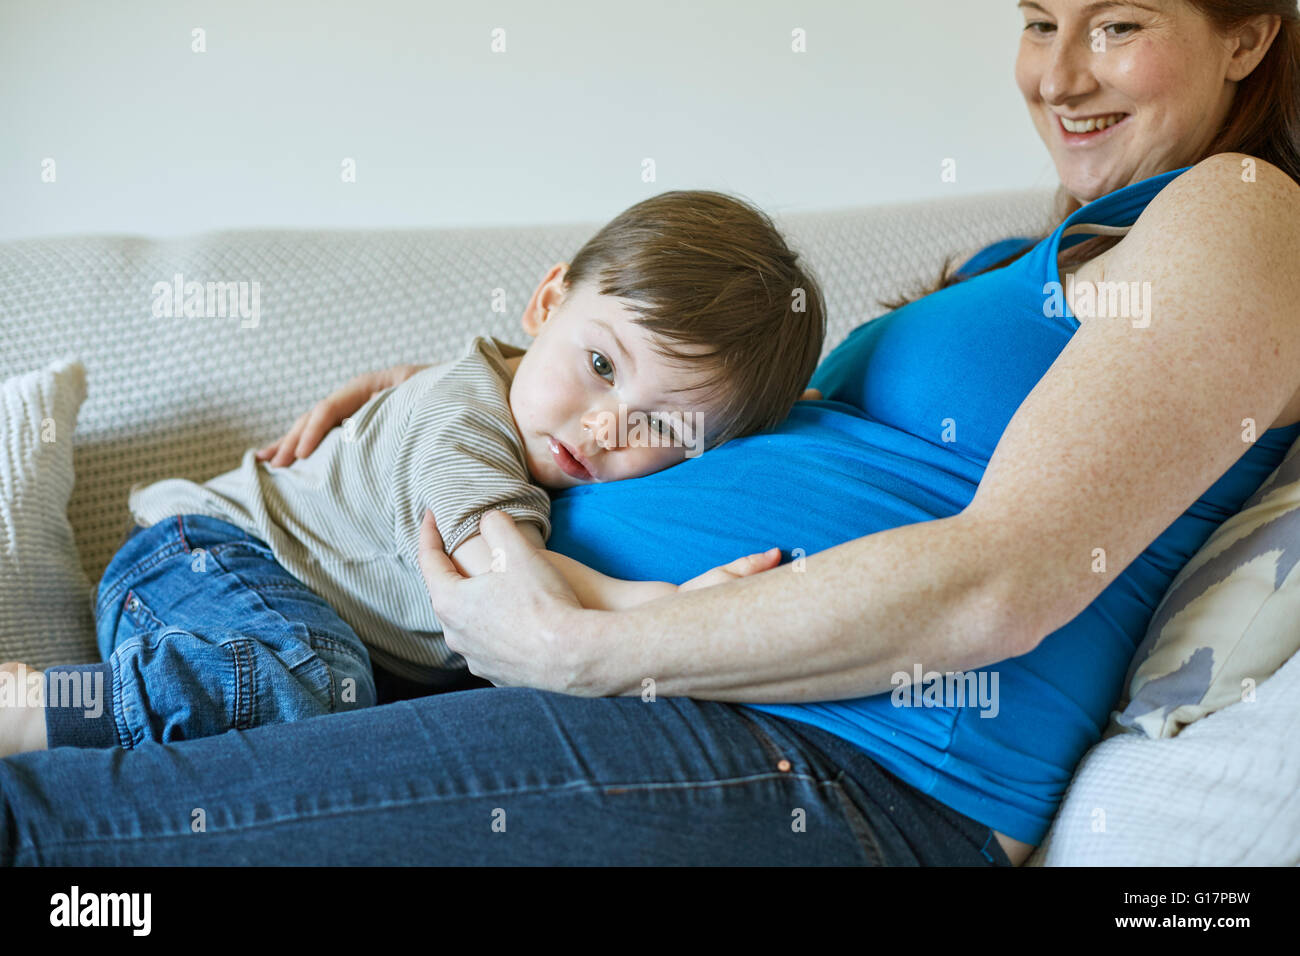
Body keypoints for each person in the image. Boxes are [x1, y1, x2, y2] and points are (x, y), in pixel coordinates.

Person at [3, 0, 1299, 867]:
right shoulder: (1017, 257)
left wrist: (587, 639)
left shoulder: (1239, 209)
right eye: (1035, 19)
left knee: (77, 837)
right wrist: (457, 398)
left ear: (1248, 36)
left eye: (1118, 24)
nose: (1058, 70)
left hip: (840, 760)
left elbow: (1007, 580)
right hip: (571, 677)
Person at [0, 190, 826, 754]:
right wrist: (674, 613)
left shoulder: (531, 412)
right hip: (204, 561)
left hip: (279, 617)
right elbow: (507, 578)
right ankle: (36, 708)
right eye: (603, 365)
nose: (605, 426)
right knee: (312, 676)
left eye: (662, 424)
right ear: (546, 305)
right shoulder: (464, 416)